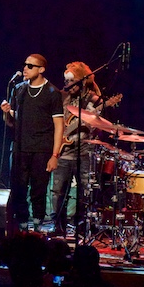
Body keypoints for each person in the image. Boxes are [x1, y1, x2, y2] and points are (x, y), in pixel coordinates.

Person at [0, 54, 64, 232]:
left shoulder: (52, 92)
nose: (25, 68)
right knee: (18, 189)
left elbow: (59, 126)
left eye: (30, 65)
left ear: (41, 69)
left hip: (42, 149)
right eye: (24, 64)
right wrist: (7, 112)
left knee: (38, 190)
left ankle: (37, 226)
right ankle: (21, 227)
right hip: (20, 148)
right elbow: (15, 121)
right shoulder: (19, 89)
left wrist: (54, 155)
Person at [49, 61, 104, 237]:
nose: (67, 86)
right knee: (58, 191)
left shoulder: (94, 101)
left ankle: (81, 226)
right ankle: (58, 226)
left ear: (81, 81)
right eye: (65, 82)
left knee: (84, 191)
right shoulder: (63, 97)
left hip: (84, 152)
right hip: (64, 152)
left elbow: (96, 124)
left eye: (70, 82)